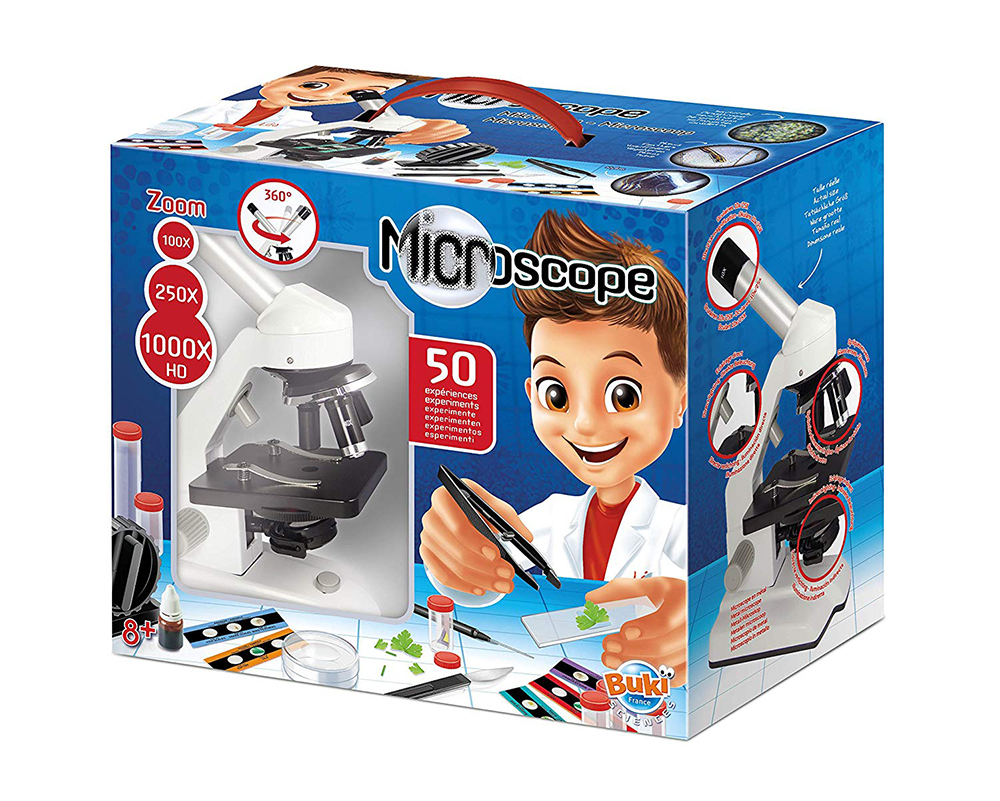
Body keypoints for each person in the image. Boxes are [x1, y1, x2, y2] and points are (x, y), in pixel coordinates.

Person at [420, 211, 689, 683]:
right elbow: (487, 597)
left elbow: (732, 598)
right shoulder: (543, 522)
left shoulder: (683, 532)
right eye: (557, 395)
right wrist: (456, 561)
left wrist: (702, 618)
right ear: (530, 394)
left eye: (624, 395)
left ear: (680, 400)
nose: (584, 424)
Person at [177, 65, 469, 144]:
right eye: (317, 85)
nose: (326, 98)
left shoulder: (303, 123)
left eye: (354, 94)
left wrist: (407, 132)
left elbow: (330, 145)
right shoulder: (210, 108)